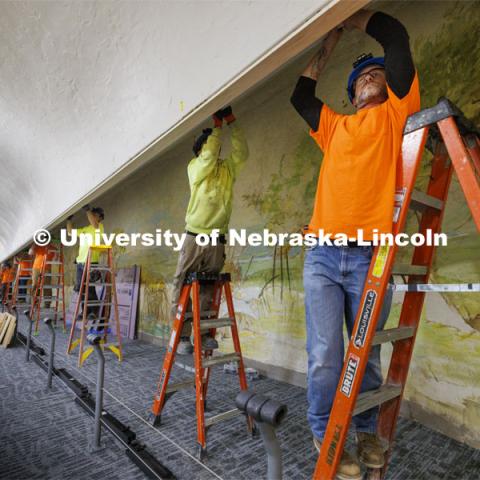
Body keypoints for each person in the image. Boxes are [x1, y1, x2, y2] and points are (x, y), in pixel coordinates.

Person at [290, 9, 420, 480]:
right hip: (323, 256)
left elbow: (398, 37)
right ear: (351, 92)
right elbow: (300, 95)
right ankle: (325, 433)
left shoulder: (394, 114)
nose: (370, 75)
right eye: (361, 75)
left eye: (377, 72)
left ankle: (364, 429)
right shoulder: (334, 128)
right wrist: (330, 39)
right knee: (326, 353)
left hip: (370, 256)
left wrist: (355, 13)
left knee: (364, 353)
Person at [173, 106, 249, 355]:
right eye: (210, 145)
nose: (215, 149)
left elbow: (242, 152)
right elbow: (207, 158)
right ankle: (184, 335)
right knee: (184, 283)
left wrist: (232, 123)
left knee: (207, 286)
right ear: (201, 149)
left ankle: (203, 333)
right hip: (194, 236)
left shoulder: (227, 169)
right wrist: (216, 127)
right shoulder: (195, 166)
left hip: (216, 239)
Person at [66, 205, 105, 322]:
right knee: (81, 289)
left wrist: (87, 210)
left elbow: (94, 223)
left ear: (100, 217)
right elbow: (69, 233)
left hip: (91, 261)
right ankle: (85, 312)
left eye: (95, 214)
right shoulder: (84, 229)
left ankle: (94, 311)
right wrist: (68, 220)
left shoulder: (99, 227)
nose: (93, 215)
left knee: (90, 288)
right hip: (80, 262)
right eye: (92, 213)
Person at [28, 243, 55, 308]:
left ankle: (47, 304)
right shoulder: (38, 246)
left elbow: (56, 257)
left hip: (47, 269)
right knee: (35, 285)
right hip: (36, 268)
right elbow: (30, 253)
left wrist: (54, 256)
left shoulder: (53, 247)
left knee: (47, 286)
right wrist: (34, 245)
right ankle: (34, 302)